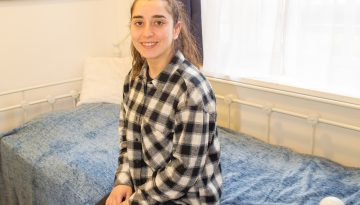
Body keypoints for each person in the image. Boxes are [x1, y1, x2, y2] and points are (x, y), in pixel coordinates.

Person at [104, 0, 222, 204]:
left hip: (188, 198)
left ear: (176, 29)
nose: (147, 33)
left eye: (158, 22)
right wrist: (122, 182)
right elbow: (127, 141)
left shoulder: (192, 90)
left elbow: (183, 173)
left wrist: (135, 200)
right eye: (139, 23)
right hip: (147, 190)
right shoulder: (133, 80)